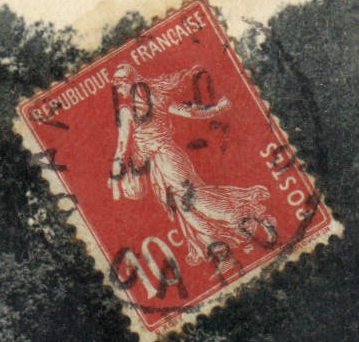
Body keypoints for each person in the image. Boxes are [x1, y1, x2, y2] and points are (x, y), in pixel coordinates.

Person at [108, 62, 275, 272]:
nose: (117, 86)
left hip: (167, 159)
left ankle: (243, 217)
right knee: (184, 209)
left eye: (120, 81)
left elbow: (122, 147)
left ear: (132, 81)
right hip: (163, 164)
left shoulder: (130, 110)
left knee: (192, 200)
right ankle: (223, 252)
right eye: (115, 82)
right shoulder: (154, 99)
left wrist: (116, 179)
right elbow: (191, 112)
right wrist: (216, 109)